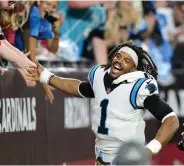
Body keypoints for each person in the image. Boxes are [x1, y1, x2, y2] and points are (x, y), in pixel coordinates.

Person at [27, 41, 179, 164]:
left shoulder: (139, 87)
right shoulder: (100, 76)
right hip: (101, 155)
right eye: (118, 56)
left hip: (127, 158)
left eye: (127, 61)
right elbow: (79, 88)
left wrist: (150, 149)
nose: (119, 61)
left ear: (133, 69)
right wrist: (47, 77)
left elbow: (171, 120)